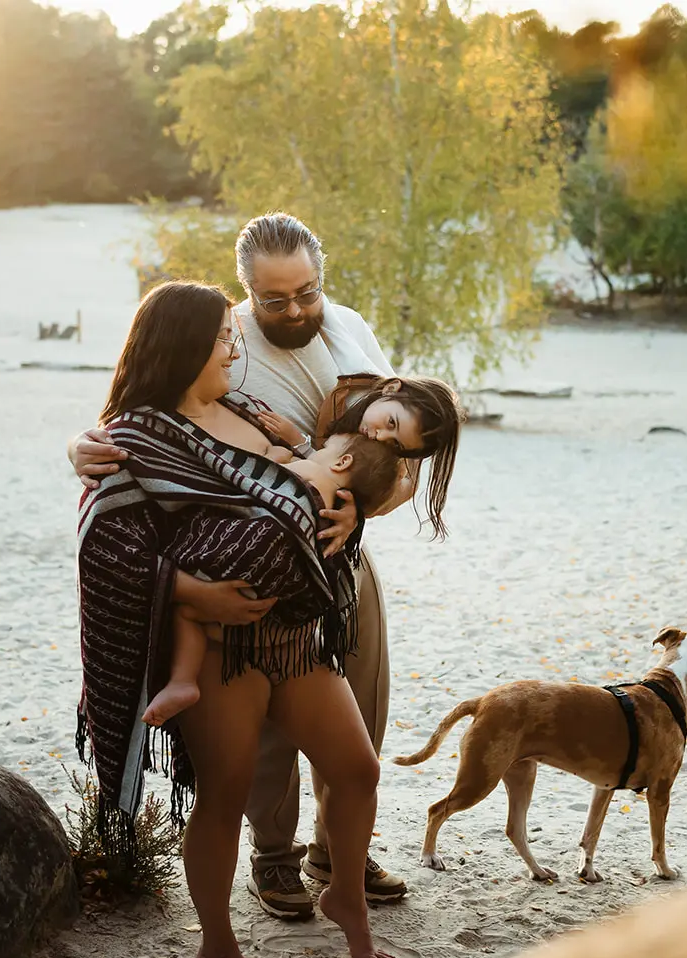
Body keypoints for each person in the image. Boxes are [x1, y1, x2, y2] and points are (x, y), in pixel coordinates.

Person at [70, 213, 464, 920]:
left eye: (307, 292)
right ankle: (274, 856)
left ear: (322, 277)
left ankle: (337, 848)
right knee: (262, 735)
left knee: (360, 705)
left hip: (339, 553)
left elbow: (403, 457)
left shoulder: (348, 332)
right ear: (246, 289)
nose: (295, 310)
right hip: (249, 559)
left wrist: (360, 511)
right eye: (275, 299)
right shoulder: (220, 339)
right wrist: (81, 445)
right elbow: (144, 410)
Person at [78, 280, 398, 958]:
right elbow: (106, 546)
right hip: (219, 649)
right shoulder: (132, 436)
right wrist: (195, 595)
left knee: (357, 769)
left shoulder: (249, 410)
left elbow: (325, 478)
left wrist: (348, 520)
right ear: (186, 344)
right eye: (224, 336)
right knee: (223, 796)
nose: (234, 346)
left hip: (291, 635)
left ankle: (345, 895)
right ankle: (217, 949)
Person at [141, 432, 402, 728]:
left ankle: (182, 678)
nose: (314, 452)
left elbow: (257, 478)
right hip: (277, 591)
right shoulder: (336, 509)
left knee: (186, 611)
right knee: (193, 615)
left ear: (342, 462)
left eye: (324, 449)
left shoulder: (310, 473)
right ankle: (184, 680)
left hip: (246, 559)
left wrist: (274, 455)